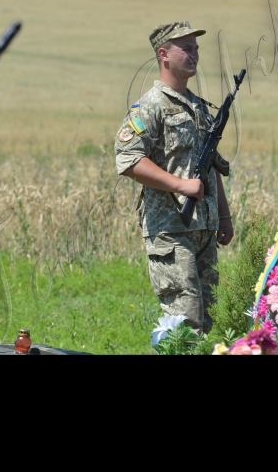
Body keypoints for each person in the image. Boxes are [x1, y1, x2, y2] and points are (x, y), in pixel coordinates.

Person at [115, 22, 234, 336]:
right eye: (187, 48)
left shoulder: (198, 107)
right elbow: (129, 161)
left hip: (204, 230)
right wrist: (180, 185)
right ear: (163, 54)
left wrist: (223, 215)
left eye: (196, 48)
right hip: (170, 231)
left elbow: (210, 166)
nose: (194, 54)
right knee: (184, 327)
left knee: (213, 325)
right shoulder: (149, 107)